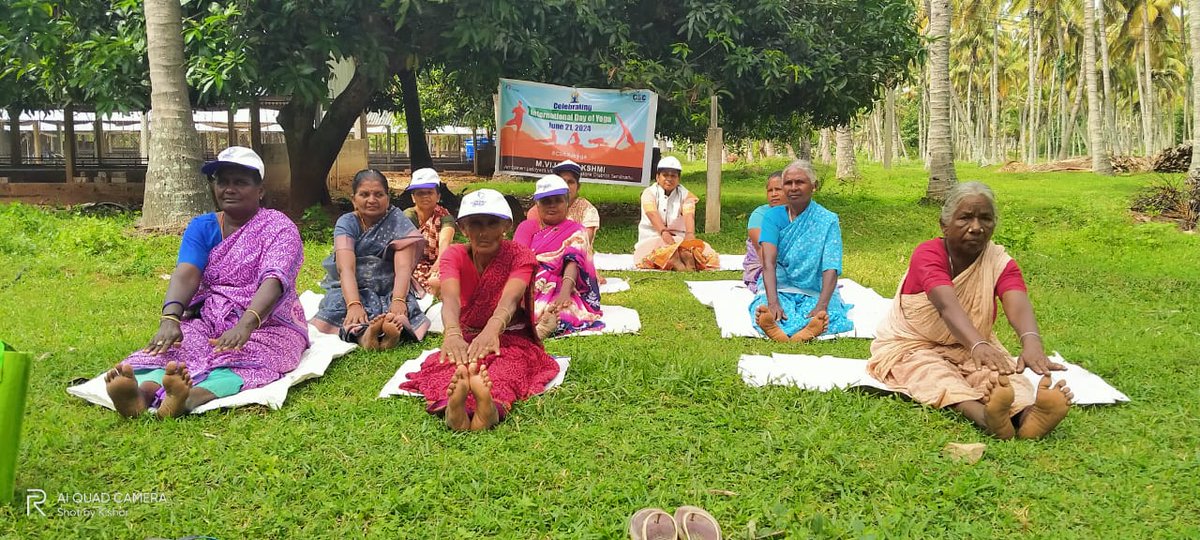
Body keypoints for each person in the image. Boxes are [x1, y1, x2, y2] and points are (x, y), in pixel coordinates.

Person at [104, 146, 309, 418]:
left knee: (249, 358)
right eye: (222, 182)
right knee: (178, 348)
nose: (229, 189)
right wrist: (170, 319)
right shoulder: (202, 227)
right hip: (210, 319)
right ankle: (143, 393)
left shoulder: (279, 228)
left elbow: (274, 279)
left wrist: (245, 324)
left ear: (260, 190)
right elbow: (187, 272)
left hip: (268, 322)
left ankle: (189, 397)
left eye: (240, 182)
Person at [867, 182, 1073, 440]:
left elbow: (1017, 301)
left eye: (985, 218)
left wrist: (1031, 343)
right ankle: (984, 417)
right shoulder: (929, 253)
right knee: (933, 374)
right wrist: (977, 345)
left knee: (1002, 375)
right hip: (913, 344)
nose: (976, 227)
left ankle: (1027, 415)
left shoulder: (998, 261)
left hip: (971, 344)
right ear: (944, 224)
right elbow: (945, 305)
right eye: (965, 218)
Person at [399, 189, 562, 431]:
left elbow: (510, 298)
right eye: (475, 224)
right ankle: (456, 408)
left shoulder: (520, 255)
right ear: (463, 228)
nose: (483, 232)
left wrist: (491, 331)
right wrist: (453, 333)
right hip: (466, 336)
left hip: (511, 337)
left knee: (507, 368)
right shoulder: (454, 255)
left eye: (492, 223)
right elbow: (450, 298)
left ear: (506, 225)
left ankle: (489, 407)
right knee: (451, 368)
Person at [310, 169, 431, 349]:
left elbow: (403, 268)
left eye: (378, 194)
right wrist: (354, 304)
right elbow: (346, 268)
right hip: (353, 285)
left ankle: (387, 332)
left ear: (388, 198)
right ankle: (366, 336)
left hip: (388, 285)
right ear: (354, 199)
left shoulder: (398, 222)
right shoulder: (347, 223)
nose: (372, 200)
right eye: (364, 194)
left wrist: (398, 300)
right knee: (339, 305)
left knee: (400, 310)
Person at [750, 160, 853, 342]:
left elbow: (831, 265)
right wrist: (773, 302)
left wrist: (822, 304)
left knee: (829, 313)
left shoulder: (827, 220)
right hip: (780, 285)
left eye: (800, 182)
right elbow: (768, 262)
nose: (793, 187)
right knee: (764, 308)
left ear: (814, 186)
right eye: (788, 183)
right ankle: (782, 328)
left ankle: (805, 328)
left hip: (815, 287)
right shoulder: (772, 217)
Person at [513, 174, 604, 339]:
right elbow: (519, 259)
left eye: (558, 200)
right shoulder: (526, 227)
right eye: (546, 201)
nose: (552, 206)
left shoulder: (576, 230)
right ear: (537, 205)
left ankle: (542, 327)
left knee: (565, 312)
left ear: (567, 203)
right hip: (526, 281)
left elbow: (573, 262)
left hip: (560, 284)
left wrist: (565, 293)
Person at [526, 159, 606, 283]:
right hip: (541, 265)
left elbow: (582, 245)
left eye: (571, 182)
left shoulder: (588, 210)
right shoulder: (535, 212)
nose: (567, 187)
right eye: (563, 182)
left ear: (578, 187)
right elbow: (531, 248)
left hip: (576, 264)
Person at [633, 156, 719, 271]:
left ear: (678, 178)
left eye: (673, 176)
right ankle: (675, 258)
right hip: (653, 237)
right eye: (665, 175)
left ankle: (681, 256)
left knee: (704, 255)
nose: (669, 179)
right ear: (657, 177)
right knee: (654, 255)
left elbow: (689, 215)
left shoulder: (686, 195)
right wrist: (664, 233)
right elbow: (651, 214)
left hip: (679, 239)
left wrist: (689, 235)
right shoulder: (648, 194)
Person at [402, 168, 457, 298]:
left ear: (438, 196)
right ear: (413, 197)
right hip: (412, 263)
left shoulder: (444, 216)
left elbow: (445, 241)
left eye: (429, 192)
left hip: (440, 260)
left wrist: (439, 263)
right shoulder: (408, 216)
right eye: (420, 193)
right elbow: (406, 246)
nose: (425, 196)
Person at [743, 171, 785, 291]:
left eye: (778, 189)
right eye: (770, 190)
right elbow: (764, 253)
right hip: (764, 265)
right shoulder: (759, 215)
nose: (774, 194)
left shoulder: (799, 215)